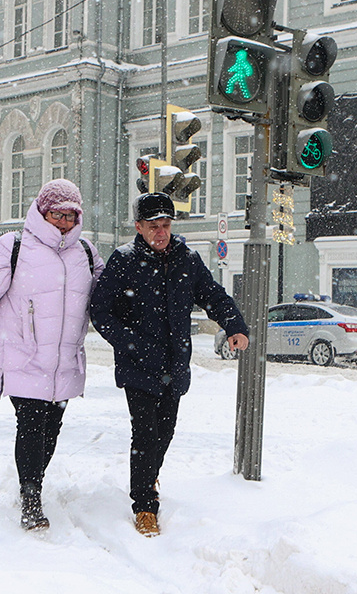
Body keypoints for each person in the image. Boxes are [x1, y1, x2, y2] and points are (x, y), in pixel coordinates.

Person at [0, 178, 104, 531]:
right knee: (31, 425)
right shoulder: (14, 247)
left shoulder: (86, 253)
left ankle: (33, 481)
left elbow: (108, 299)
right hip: (23, 357)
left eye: (71, 216)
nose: (64, 223)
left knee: (51, 430)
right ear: (42, 212)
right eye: (57, 215)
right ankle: (31, 497)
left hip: (64, 363)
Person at [90, 192, 249, 537]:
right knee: (145, 435)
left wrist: (234, 325)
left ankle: (149, 476)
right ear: (138, 227)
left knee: (165, 432)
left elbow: (212, 295)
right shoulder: (124, 261)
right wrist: (132, 344)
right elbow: (100, 311)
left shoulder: (186, 259)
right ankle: (145, 505)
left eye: (165, 225)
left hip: (174, 365)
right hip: (138, 364)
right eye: (153, 226)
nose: (161, 233)